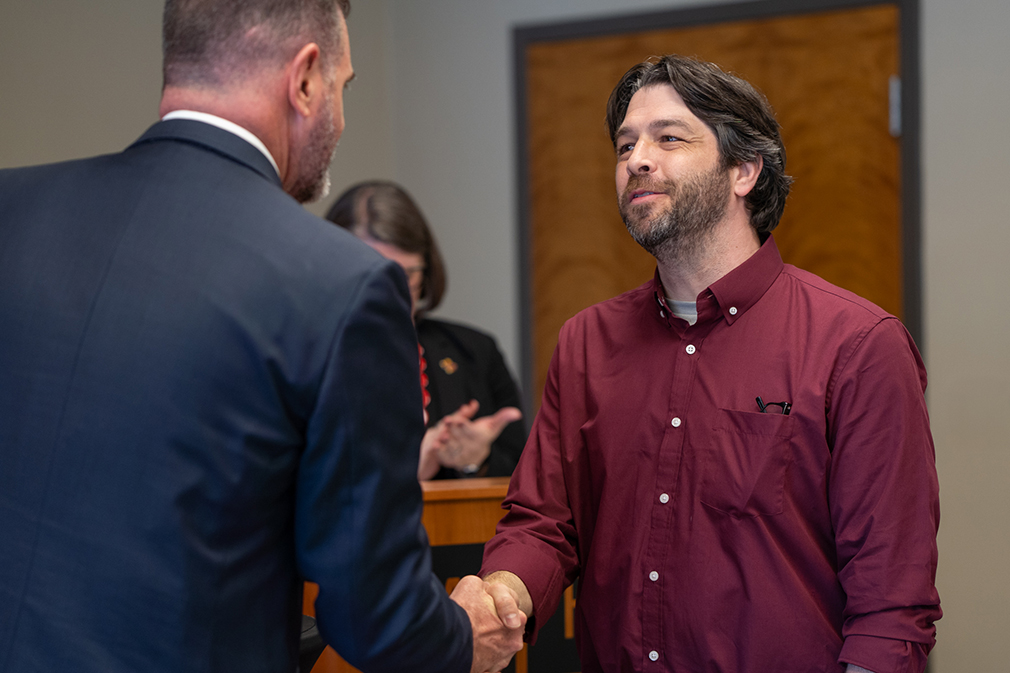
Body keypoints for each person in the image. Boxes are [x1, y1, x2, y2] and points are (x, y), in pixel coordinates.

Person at [0, 1, 524, 671]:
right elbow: (373, 610)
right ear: (306, 79)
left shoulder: (12, 213)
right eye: (344, 86)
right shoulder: (343, 284)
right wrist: (462, 636)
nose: (341, 114)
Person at [480, 55, 941, 673]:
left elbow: (891, 604)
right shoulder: (585, 342)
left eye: (669, 138)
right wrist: (500, 601)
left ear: (744, 170)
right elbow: (544, 523)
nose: (636, 160)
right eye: (624, 145)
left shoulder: (858, 347)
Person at [327, 181, 527, 480]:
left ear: (426, 272)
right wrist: (405, 473)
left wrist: (476, 460)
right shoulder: (301, 358)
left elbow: (527, 482)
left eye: (405, 275)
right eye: (372, 275)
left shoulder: (475, 351)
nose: (390, 294)